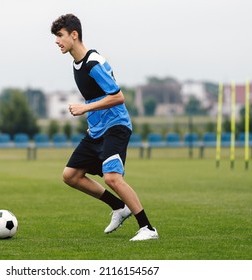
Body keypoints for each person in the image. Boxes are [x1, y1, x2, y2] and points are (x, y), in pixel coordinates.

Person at [50, 14, 158, 241]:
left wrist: (84, 109)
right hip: (97, 130)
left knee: (112, 178)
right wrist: (91, 120)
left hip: (116, 126)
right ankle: (119, 207)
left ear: (74, 34)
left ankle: (148, 228)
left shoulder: (93, 62)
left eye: (60, 36)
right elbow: (95, 97)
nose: (57, 41)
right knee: (70, 176)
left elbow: (118, 97)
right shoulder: (76, 63)